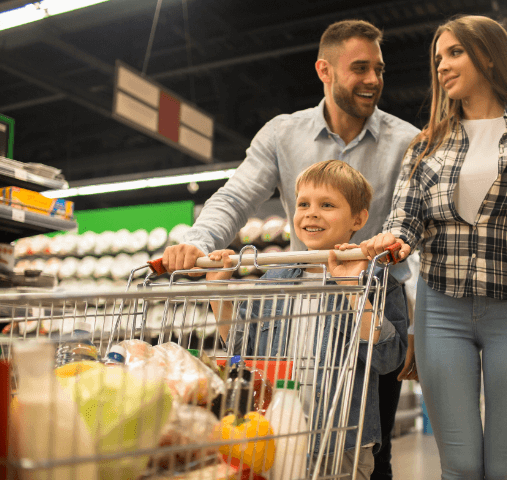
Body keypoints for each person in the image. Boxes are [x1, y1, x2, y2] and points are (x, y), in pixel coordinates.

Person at [160, 19, 420, 479]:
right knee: (288, 447)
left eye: (378, 69)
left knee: (370, 452)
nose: (373, 80)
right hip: (295, 299)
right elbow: (236, 197)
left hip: (369, 304)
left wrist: (414, 321)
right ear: (325, 70)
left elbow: (412, 225)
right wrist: (196, 245)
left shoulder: (406, 141)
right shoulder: (283, 134)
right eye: (359, 68)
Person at [360, 15, 507, 480]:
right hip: (442, 313)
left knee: (506, 467)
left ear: (488, 54)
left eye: (455, 52)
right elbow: (406, 216)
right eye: (438, 57)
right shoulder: (427, 143)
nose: (442, 65)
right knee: (458, 465)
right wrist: (393, 238)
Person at [206, 160, 408, 480]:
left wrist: (353, 289)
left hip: (343, 441)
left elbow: (388, 359)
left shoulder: (378, 279)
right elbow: (245, 350)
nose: (311, 213)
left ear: (359, 218)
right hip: (277, 433)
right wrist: (217, 291)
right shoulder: (273, 280)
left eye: (327, 205)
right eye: (303, 204)